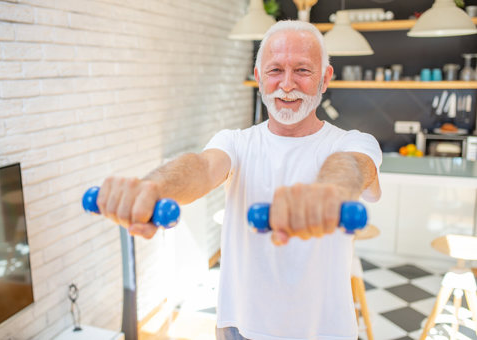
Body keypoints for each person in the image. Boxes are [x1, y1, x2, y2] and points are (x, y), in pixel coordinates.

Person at [97, 20, 382, 340]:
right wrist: (150, 188)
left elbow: (353, 167)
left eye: (302, 70)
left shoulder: (353, 143)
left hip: (324, 333)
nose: (287, 85)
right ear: (259, 78)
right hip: (240, 329)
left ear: (325, 79)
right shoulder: (236, 142)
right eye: (275, 71)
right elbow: (202, 168)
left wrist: (328, 192)